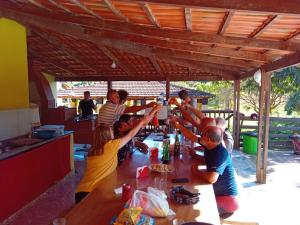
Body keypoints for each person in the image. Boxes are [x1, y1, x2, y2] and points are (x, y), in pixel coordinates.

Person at [75, 104, 162, 203]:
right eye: (111, 130)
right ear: (108, 134)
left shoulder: (95, 148)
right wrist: (153, 110)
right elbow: (133, 132)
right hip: (91, 192)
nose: (113, 131)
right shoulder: (110, 145)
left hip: (82, 191)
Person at [172, 120, 239, 216]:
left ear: (208, 139)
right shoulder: (211, 145)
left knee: (189, 211)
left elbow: (211, 179)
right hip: (216, 192)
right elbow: (191, 136)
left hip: (226, 200)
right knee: (187, 198)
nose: (200, 135)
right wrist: (178, 126)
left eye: (202, 134)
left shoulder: (220, 154)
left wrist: (197, 171)